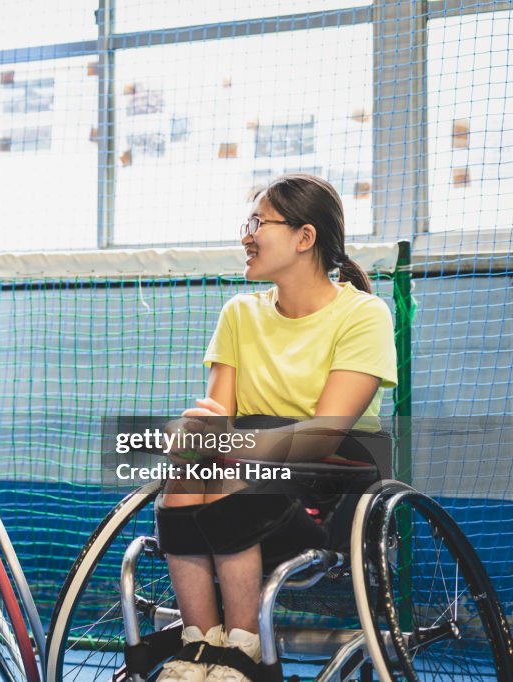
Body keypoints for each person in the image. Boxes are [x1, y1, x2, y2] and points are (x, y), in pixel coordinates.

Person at [156, 174, 397, 682]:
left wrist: (229, 445)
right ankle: (200, 643)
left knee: (222, 470)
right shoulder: (240, 313)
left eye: (257, 223)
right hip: (247, 468)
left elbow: (325, 435)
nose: (246, 235)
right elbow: (217, 415)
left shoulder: (364, 315)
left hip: (326, 486)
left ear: (304, 237)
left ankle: (244, 649)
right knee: (183, 477)